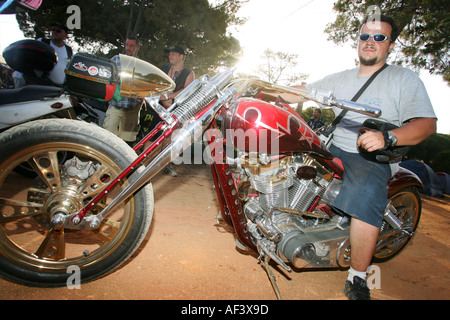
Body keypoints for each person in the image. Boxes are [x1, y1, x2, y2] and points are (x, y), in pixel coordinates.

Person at [305, 14, 436, 300]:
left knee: (366, 190)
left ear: (390, 45)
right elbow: (300, 91)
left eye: (379, 37)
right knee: (291, 162)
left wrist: (387, 137)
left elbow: (426, 124)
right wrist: (259, 86)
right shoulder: (339, 78)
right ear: (358, 41)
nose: (370, 42)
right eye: (365, 36)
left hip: (371, 155)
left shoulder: (403, 79)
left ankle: (358, 277)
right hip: (331, 145)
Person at [102, 36, 143, 144]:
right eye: (127, 45)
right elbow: (106, 75)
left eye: (132, 46)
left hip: (132, 107)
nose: (128, 48)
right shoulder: (116, 59)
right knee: (107, 135)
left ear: (137, 48)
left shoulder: (142, 65)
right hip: (116, 103)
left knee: (127, 140)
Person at [13, 22, 73, 87]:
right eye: (53, 29)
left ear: (65, 35)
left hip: (57, 89)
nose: (54, 32)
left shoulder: (68, 50)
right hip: (40, 85)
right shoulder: (42, 42)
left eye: (58, 31)